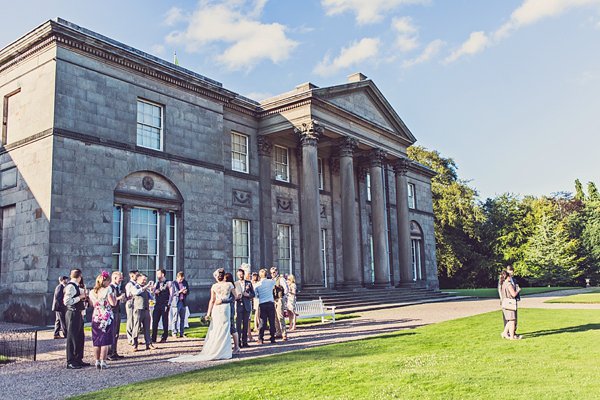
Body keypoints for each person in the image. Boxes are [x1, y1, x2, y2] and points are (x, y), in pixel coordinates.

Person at [169, 268, 237, 362]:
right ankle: (224, 351)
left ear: (217, 277)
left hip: (218, 308)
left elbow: (212, 301)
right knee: (223, 328)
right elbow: (235, 297)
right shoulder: (229, 285)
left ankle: (218, 349)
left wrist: (208, 313)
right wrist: (224, 301)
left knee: (218, 328)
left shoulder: (215, 286)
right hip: (225, 308)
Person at [89, 271, 117, 369]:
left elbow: (92, 304)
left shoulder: (92, 292)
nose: (109, 283)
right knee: (105, 340)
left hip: (96, 316)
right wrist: (115, 296)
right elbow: (113, 303)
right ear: (104, 281)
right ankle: (103, 361)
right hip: (106, 316)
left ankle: (97, 361)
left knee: (96, 340)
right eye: (108, 281)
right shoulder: (108, 290)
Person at [63, 269, 89, 369]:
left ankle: (78, 358)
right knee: (72, 337)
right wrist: (80, 297)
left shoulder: (77, 286)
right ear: (80, 276)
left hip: (78, 313)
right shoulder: (71, 286)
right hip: (72, 313)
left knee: (79, 336)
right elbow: (67, 301)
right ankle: (71, 360)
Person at [131, 274, 156, 352]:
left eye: (145, 280)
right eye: (143, 280)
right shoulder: (134, 286)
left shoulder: (146, 288)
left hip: (146, 309)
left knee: (147, 328)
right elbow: (136, 292)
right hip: (138, 309)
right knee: (136, 328)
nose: (145, 281)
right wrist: (146, 286)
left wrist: (152, 292)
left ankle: (149, 343)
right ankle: (134, 344)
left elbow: (151, 297)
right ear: (138, 279)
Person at [254, 269, 277, 344]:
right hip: (270, 302)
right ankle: (272, 338)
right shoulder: (270, 282)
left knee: (262, 322)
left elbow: (255, 295)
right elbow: (275, 281)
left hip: (262, 303)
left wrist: (259, 295)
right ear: (267, 274)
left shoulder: (257, 284)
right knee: (271, 321)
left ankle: (260, 338)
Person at [498, 265, 521, 337]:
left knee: (512, 319)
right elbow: (513, 293)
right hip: (509, 301)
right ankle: (510, 334)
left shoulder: (511, 281)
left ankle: (507, 332)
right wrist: (517, 290)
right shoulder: (507, 283)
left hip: (510, 301)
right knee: (511, 319)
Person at [108, 271, 126, 361]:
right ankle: (109, 353)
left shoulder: (117, 287)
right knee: (112, 333)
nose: (121, 280)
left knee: (116, 333)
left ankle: (114, 352)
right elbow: (110, 301)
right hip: (112, 312)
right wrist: (119, 298)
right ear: (115, 278)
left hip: (117, 311)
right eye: (120, 278)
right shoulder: (110, 288)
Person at [235, 268, 255, 348]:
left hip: (246, 306)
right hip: (239, 305)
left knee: (246, 324)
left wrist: (248, 295)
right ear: (237, 275)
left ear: (244, 274)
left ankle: (245, 341)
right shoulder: (235, 284)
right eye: (239, 274)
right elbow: (233, 295)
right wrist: (237, 297)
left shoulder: (248, 283)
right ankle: (238, 342)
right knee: (238, 325)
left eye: (241, 274)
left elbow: (253, 294)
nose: (240, 276)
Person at [152, 268, 172, 343]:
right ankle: (153, 338)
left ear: (162, 274)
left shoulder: (169, 283)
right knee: (155, 321)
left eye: (158, 274)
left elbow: (171, 294)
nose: (157, 275)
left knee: (165, 321)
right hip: (157, 304)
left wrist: (168, 304)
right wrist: (153, 292)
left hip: (164, 304)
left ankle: (164, 337)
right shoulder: (156, 283)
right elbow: (153, 293)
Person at [270, 267, 288, 340]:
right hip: (273, 299)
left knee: (280, 316)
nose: (273, 274)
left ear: (277, 272)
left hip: (279, 299)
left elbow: (286, 289)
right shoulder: (271, 280)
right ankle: (278, 332)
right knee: (275, 317)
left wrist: (283, 297)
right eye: (271, 273)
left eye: (274, 272)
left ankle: (284, 333)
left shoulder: (281, 279)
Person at [225, 272, 241, 354]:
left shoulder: (231, 286)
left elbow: (234, 297)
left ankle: (236, 346)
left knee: (232, 326)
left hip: (230, 308)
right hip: (225, 308)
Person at [172, 271, 190, 338]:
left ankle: (181, 332)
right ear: (177, 277)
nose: (181, 280)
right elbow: (172, 293)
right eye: (180, 279)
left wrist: (186, 292)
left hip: (183, 301)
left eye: (182, 279)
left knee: (182, 318)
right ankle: (174, 332)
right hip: (176, 302)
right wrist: (180, 292)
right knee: (175, 318)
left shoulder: (185, 282)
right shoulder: (173, 283)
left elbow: (188, 291)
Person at [124, 270, 139, 345]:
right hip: (130, 303)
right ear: (132, 276)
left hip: (136, 303)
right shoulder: (129, 284)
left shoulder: (137, 284)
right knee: (130, 320)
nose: (138, 277)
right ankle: (130, 338)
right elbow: (128, 295)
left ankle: (134, 337)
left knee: (135, 320)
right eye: (136, 275)